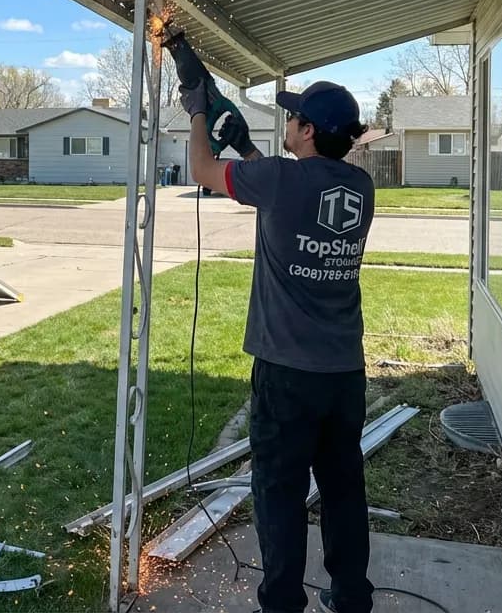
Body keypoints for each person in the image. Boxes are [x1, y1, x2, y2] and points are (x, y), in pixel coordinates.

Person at [179, 79, 376, 613]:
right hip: (342, 375)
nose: (286, 123)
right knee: (342, 487)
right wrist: (246, 149)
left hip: (286, 376)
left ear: (308, 131)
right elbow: (295, 196)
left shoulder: (280, 181)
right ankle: (353, 597)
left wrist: (198, 113)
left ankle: (284, 604)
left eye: (293, 119)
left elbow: (200, 171)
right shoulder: (360, 187)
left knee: (280, 492)